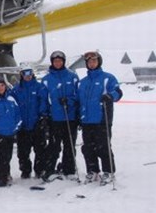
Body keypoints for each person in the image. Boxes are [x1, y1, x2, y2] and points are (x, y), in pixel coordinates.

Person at [78, 51, 123, 186]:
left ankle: (108, 171)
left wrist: (110, 96)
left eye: (94, 61)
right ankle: (92, 170)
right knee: (88, 148)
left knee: (103, 147)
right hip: (86, 120)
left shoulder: (107, 78)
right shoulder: (83, 82)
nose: (91, 64)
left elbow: (118, 92)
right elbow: (79, 100)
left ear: (99, 62)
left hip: (102, 119)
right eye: (89, 62)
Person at [42, 51, 80, 180]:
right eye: (55, 61)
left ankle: (69, 168)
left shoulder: (72, 77)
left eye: (60, 61)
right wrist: (45, 115)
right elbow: (44, 99)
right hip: (55, 118)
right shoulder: (47, 79)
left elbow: (78, 95)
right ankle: (49, 168)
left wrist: (69, 101)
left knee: (69, 144)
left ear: (63, 61)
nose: (58, 63)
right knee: (54, 145)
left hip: (70, 117)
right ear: (52, 62)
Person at [10, 67, 50, 180]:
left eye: (30, 74)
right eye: (25, 74)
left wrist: (42, 116)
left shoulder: (39, 87)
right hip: (23, 125)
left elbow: (43, 101)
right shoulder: (16, 89)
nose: (27, 76)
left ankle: (40, 169)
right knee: (23, 151)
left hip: (36, 123)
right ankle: (25, 170)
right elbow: (13, 105)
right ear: (21, 75)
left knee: (40, 149)